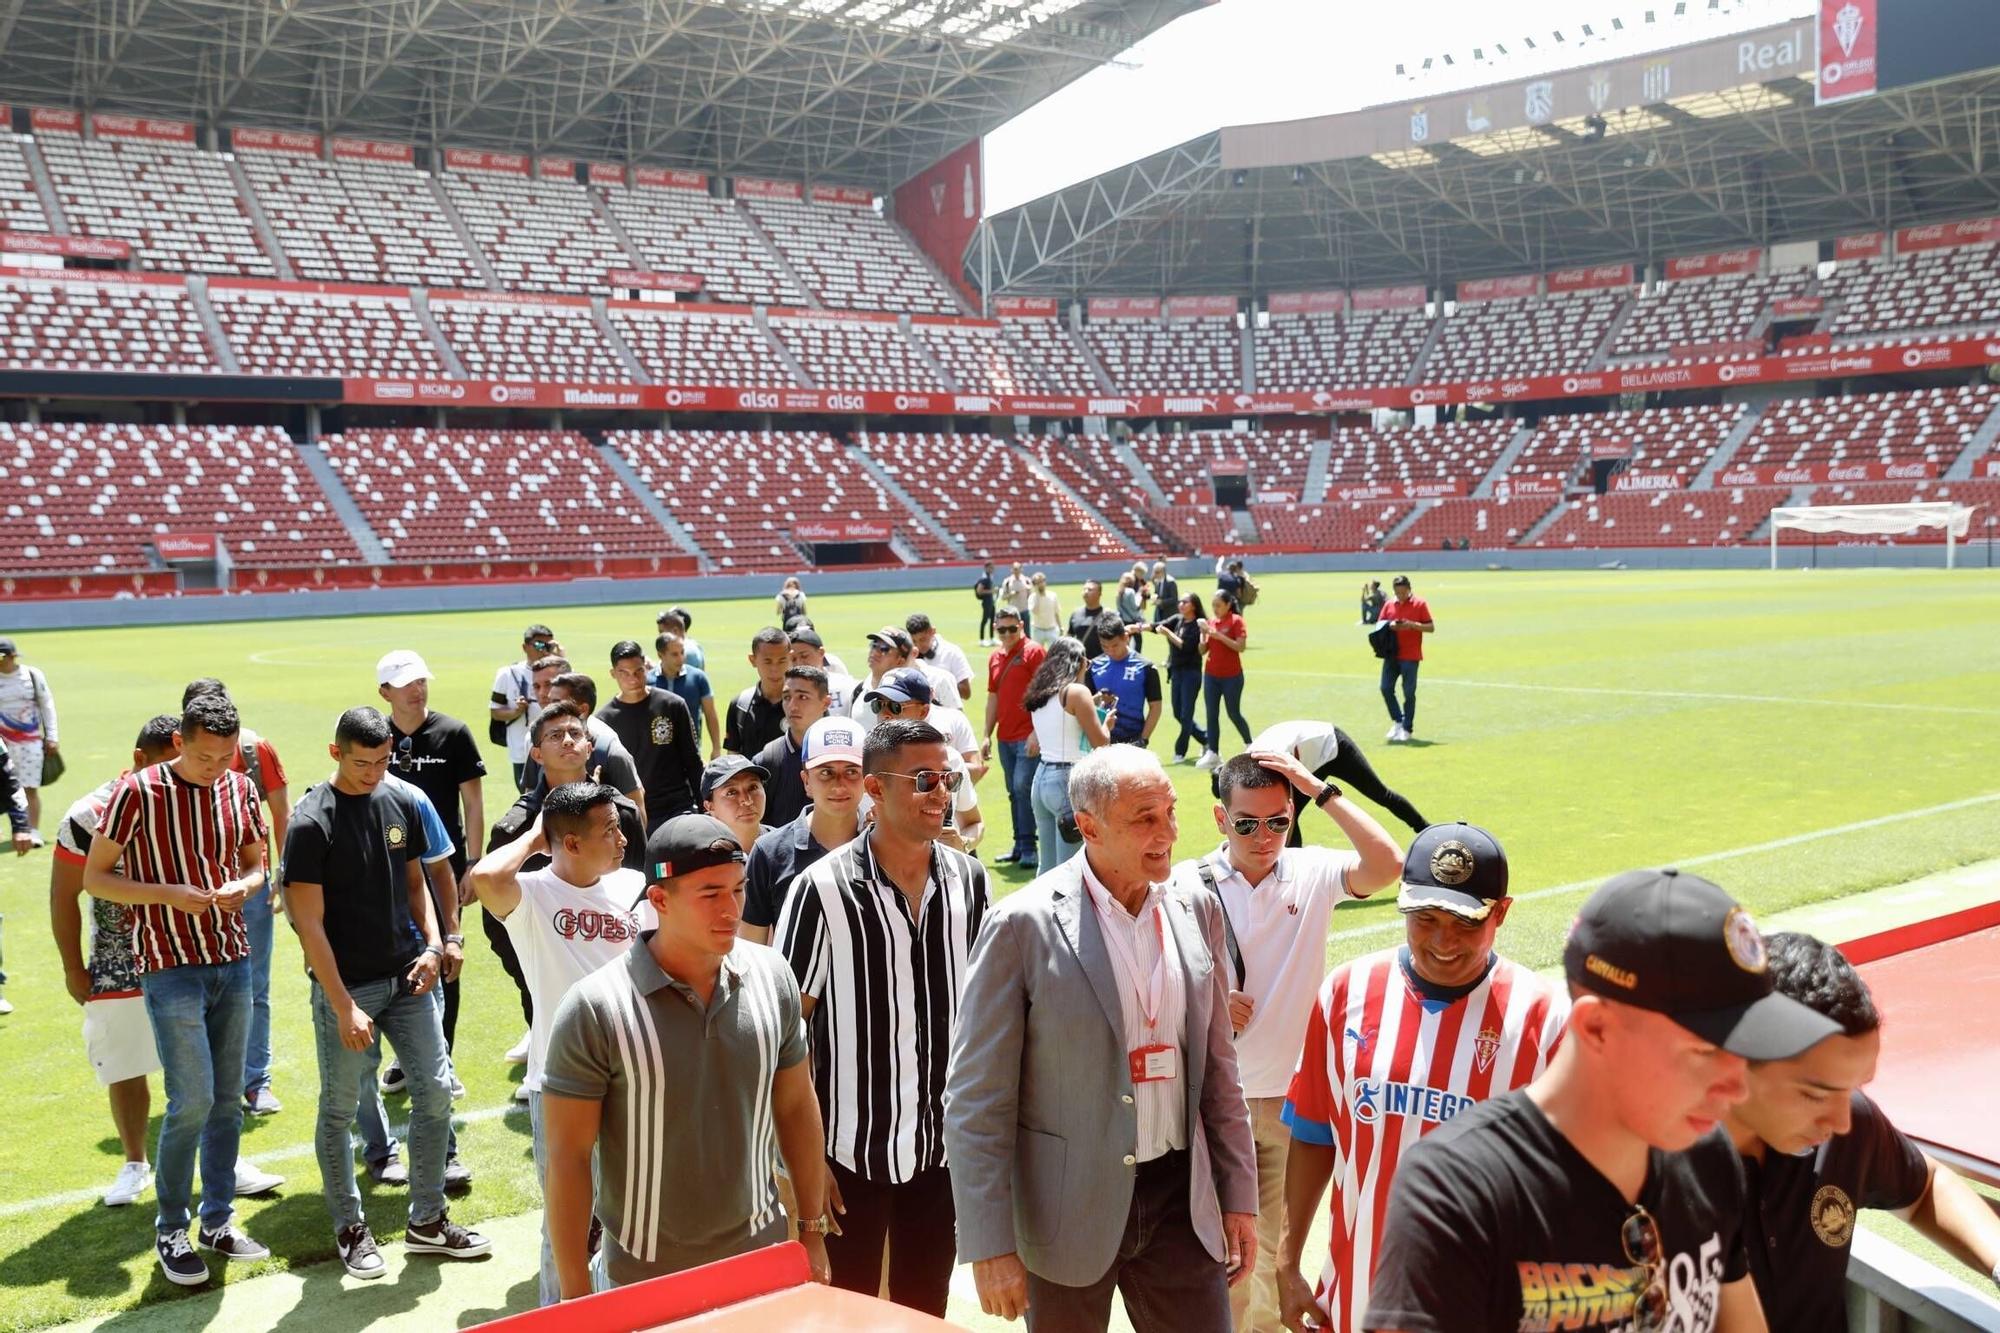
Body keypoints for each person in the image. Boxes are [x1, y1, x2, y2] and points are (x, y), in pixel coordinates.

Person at [1361, 867, 1843, 1333]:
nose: (1736, 1089)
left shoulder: (1708, 1156)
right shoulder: (1460, 1192)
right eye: (1705, 1051)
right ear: (1595, 1028)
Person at [945, 745, 1259, 1332]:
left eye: (1170, 810)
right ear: (1088, 827)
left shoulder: (1198, 907)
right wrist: (989, 1244)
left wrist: (1238, 1194)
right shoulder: (1022, 926)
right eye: (1144, 817)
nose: (1167, 831)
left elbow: (1220, 1068)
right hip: (1065, 1210)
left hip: (1179, 1204)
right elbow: (976, 1100)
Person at [1275, 822, 1564, 1333]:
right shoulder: (1346, 992)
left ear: (1502, 912)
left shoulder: (1546, 1019)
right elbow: (1314, 1133)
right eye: (1425, 917)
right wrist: (1288, 1259)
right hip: (1360, 1292)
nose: (1442, 940)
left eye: (1465, 922)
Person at [540, 813, 832, 1296]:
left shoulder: (773, 976)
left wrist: (812, 1232)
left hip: (762, 1262)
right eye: (710, 894)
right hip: (643, 1278)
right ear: (659, 900)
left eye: (737, 890)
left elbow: (797, 1108)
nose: (731, 910)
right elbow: (568, 1159)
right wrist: (575, 1297)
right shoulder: (595, 1008)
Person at [1169, 751, 1402, 1333]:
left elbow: (1389, 863)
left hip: (1290, 1104)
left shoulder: (1311, 871)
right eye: (1248, 823)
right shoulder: (1182, 885)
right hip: (1208, 1103)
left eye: (1278, 820)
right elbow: (1147, 985)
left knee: (1272, 1256)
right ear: (1222, 820)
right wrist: (1210, 1005)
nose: (1265, 835)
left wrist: (1315, 787)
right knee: (1215, 1255)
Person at [774, 719, 990, 1315]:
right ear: (875, 787)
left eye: (946, 778)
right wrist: (802, 1159)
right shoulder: (821, 890)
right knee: (846, 1316)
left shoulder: (970, 883)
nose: (941, 793)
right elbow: (784, 1032)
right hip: (848, 1158)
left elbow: (985, 1019)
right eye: (923, 780)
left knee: (925, 1310)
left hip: (940, 1155)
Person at [283, 707, 490, 1281]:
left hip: (409, 978)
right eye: (360, 763)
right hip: (348, 986)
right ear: (335, 754)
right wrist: (343, 1003)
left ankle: (427, 1220)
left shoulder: (400, 801)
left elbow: (415, 880)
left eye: (381, 762)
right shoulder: (309, 822)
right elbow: (309, 925)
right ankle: (351, 1227)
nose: (372, 773)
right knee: (340, 1109)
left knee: (436, 1091)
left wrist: (433, 944)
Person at [50, 716, 281, 1208]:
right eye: (189, 761)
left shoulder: (223, 790)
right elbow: (66, 892)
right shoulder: (93, 812)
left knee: (213, 1080)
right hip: (119, 957)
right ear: (146, 759)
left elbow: (249, 860)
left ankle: (223, 1166)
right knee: (128, 1064)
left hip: (201, 950)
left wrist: (243, 885)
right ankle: (136, 1164)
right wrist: (74, 967)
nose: (195, 774)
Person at [83, 692, 270, 1285]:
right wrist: (168, 893)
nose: (217, 768)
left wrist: (245, 885)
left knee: (225, 1101)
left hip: (232, 958)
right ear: (180, 743)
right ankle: (171, 1229)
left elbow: (257, 863)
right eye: (206, 757)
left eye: (226, 757)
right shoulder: (137, 794)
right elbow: (96, 877)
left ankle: (218, 1219)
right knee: (189, 1100)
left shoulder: (239, 788)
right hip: (168, 965)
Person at [1729, 932, 2000, 1328]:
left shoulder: (1846, 1126)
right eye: (1816, 1093)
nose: (1842, 1121)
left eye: (1854, 1086)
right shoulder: (1648, 1174)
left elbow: (1925, 1188)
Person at [464, 781, 646, 1306]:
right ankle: (560, 1315)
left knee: (628, 1217)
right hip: (559, 1083)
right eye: (608, 829)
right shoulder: (532, 894)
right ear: (568, 843)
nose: (621, 837)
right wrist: (535, 836)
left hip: (633, 1077)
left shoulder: (633, 884)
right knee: (566, 1226)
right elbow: (484, 876)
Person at [485, 703, 649, 1038]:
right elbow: (496, 919)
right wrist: (533, 974)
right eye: (555, 735)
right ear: (536, 754)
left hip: (623, 982)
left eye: (576, 733)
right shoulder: (516, 829)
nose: (568, 741)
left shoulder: (624, 815)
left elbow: (644, 898)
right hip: (547, 984)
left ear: (590, 747)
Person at [179, 677, 294, 1117]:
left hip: (249, 888)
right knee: (195, 987)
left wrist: (282, 872)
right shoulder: (173, 756)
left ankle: (255, 1081)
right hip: (190, 892)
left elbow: (281, 811)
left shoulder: (254, 750)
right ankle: (206, 1083)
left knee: (254, 986)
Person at [373, 652, 483, 1102]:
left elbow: (472, 803)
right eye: (405, 683)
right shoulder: (374, 737)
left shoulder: (453, 733)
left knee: (445, 954)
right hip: (385, 871)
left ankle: (444, 1057)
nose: (417, 689)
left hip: (441, 869)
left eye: (421, 680)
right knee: (397, 960)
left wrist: (473, 863)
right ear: (385, 692)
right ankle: (407, 1055)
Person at [739, 716, 866, 946]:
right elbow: (752, 951)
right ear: (806, 780)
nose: (839, 785)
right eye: (826, 773)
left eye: (851, 772)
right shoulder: (769, 853)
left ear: (867, 779)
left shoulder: (883, 847)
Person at [857, 670, 985, 853]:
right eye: (879, 705)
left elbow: (975, 822)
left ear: (923, 710)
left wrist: (963, 844)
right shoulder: (857, 764)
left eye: (894, 707)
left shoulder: (951, 761)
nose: (884, 714)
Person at [1249, 720, 1427, 840]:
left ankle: (1427, 830)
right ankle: (1291, 875)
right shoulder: (1246, 767)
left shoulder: (1273, 760)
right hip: (1308, 759)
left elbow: (1285, 806)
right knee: (1287, 820)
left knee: (1380, 793)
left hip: (1334, 745)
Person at [1023, 637, 1111, 871]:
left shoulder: (1040, 692)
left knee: (1048, 867)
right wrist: (1107, 724)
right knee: (1070, 869)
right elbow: (1101, 743)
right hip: (1067, 780)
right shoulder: (1076, 692)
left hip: (1042, 779)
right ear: (1079, 662)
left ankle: (1039, 909)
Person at [600, 641, 702, 832]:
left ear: (646, 667)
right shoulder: (604, 720)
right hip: (633, 814)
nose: (633, 679)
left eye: (638, 671)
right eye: (625, 673)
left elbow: (693, 761)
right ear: (613, 674)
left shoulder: (672, 705)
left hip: (677, 807)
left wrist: (704, 806)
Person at [982, 607, 1046, 869]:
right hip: (1005, 736)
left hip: (1026, 735)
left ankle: (1030, 847)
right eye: (1002, 629)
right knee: (1013, 792)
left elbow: (1046, 692)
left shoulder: (1033, 651)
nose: (1007, 634)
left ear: (1021, 626)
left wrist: (1037, 731)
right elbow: (993, 697)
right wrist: (986, 734)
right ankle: (1020, 845)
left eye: (1012, 629)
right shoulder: (995, 657)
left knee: (1023, 789)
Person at [753, 666, 831, 828]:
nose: (792, 706)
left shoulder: (845, 756)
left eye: (802, 697)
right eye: (787, 697)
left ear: (825, 703)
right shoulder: (767, 760)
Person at [0, 635, 57, 845]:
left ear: (12, 656)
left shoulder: (32, 676)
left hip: (30, 742)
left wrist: (52, 736)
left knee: (29, 787)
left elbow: (47, 706)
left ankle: (33, 831)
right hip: (2, 744)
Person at [493, 624, 557, 791]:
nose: (544, 649)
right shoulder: (508, 674)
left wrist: (561, 660)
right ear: (524, 647)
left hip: (555, 750)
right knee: (529, 800)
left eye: (548, 645)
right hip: (522, 751)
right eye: (538, 644)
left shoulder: (560, 672)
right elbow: (495, 711)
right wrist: (516, 711)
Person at [1195, 591, 1251, 772]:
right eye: (1213, 605)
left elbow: (1240, 647)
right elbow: (1202, 651)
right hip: (1211, 675)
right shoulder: (1211, 622)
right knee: (1211, 714)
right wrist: (1203, 636)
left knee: (1233, 712)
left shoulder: (1236, 620)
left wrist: (1219, 636)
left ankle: (1250, 744)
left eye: (1218, 605)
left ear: (1228, 604)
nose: (1215, 609)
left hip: (1232, 676)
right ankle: (1213, 752)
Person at [1152, 593, 1211, 765]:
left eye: (1185, 602)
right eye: (1180, 601)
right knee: (1178, 712)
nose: (1181, 604)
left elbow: (1186, 647)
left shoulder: (1197, 625)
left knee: (1186, 714)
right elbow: (1157, 625)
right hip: (1176, 672)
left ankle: (1180, 751)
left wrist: (1168, 634)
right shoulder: (1178, 619)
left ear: (1194, 605)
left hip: (1191, 673)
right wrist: (1138, 627)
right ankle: (1206, 739)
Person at [1089, 617, 1163, 748]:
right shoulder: (1093, 666)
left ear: (1126, 638)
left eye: (1115, 645)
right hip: (1101, 741)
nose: (1110, 651)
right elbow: (1085, 704)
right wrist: (1098, 698)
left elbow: (1155, 706)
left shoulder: (1146, 667)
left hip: (1133, 740)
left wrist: (1143, 739)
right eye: (1104, 646)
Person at [1377, 576, 1432, 744]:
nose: (1400, 595)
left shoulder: (1420, 604)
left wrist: (1412, 625)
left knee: (1409, 693)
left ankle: (1407, 728)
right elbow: (1379, 624)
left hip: (1411, 656)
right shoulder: (1389, 604)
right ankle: (1398, 721)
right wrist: (1391, 625)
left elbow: (1430, 627)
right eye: (1397, 592)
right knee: (1385, 688)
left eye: (1403, 592)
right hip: (1392, 655)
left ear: (1409, 589)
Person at [652, 632, 720, 760]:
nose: (681, 658)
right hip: (656, 756)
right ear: (660, 655)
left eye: (682, 652)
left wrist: (716, 748)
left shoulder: (698, 678)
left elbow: (710, 713)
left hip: (691, 753)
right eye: (675, 654)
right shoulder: (648, 681)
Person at [725, 628, 791, 758]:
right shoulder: (740, 705)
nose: (775, 669)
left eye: (782, 661)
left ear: (791, 658)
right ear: (752, 660)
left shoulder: (805, 702)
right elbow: (732, 756)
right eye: (767, 661)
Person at [702, 753, 771, 854]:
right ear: (710, 806)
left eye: (753, 787)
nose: (747, 801)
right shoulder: (700, 858)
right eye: (731, 793)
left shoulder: (786, 845)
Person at [786, 628, 858, 717]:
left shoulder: (846, 686)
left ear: (821, 653)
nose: (799, 663)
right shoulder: (785, 691)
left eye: (804, 656)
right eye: (793, 659)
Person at [908, 612, 974, 703]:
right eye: (914, 641)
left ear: (932, 631)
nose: (918, 645)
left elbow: (966, 692)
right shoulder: (908, 656)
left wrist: (939, 685)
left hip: (948, 713)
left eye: (922, 639)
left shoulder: (952, 652)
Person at [1068, 579, 1115, 657]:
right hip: (1081, 663)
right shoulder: (1076, 614)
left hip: (1103, 663)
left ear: (1099, 593)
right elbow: (1069, 637)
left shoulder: (1109, 615)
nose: (1086, 592)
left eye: (1090, 590)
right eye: (1084, 589)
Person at [1028, 571, 1062, 646]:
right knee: (1037, 654)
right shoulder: (1032, 597)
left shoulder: (1053, 595)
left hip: (1052, 629)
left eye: (1042, 581)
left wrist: (1060, 627)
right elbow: (1035, 611)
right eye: (1038, 582)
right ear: (1035, 585)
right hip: (1038, 630)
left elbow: (1056, 613)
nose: (1041, 584)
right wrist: (1037, 594)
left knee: (1054, 654)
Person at [974, 562, 998, 645]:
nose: (992, 569)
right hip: (987, 602)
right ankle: (982, 639)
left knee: (992, 621)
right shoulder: (984, 579)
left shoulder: (989, 577)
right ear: (986, 568)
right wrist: (992, 591)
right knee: (984, 620)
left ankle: (992, 638)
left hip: (991, 602)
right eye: (991, 568)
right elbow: (979, 591)